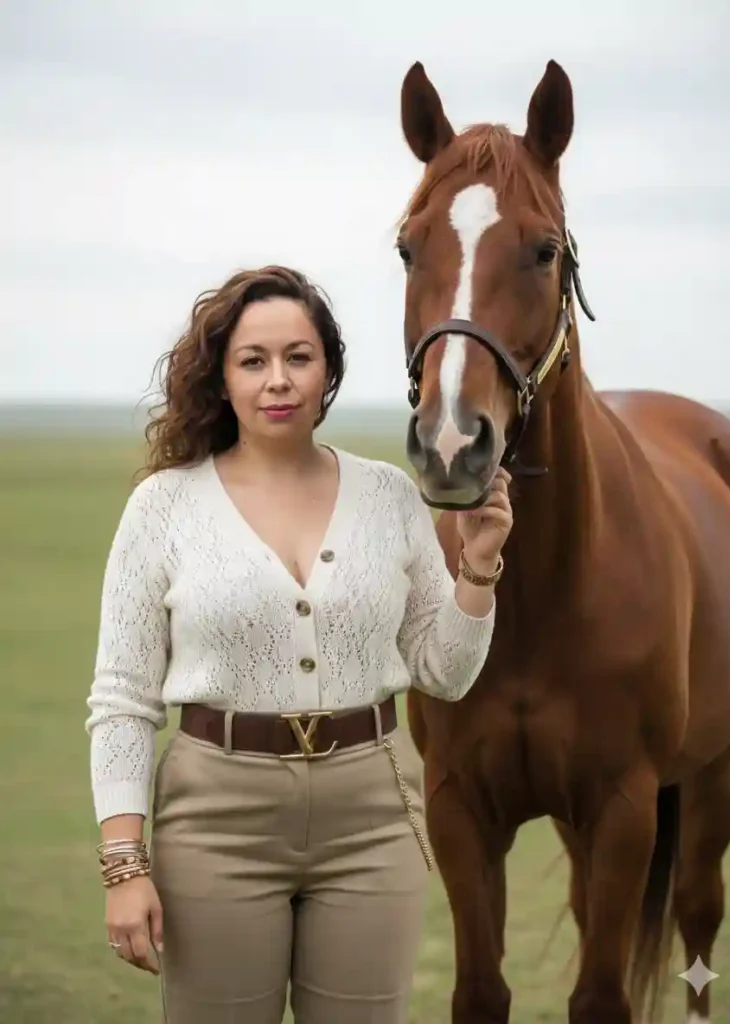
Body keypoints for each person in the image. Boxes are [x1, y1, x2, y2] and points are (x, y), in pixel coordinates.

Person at [85, 265, 513, 1024]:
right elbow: (121, 699)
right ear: (221, 379)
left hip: (371, 817)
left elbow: (442, 674)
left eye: (298, 357)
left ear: (329, 371)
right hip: (215, 818)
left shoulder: (388, 496)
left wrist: (477, 567)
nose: (277, 380)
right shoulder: (164, 506)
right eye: (253, 361)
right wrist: (125, 865)